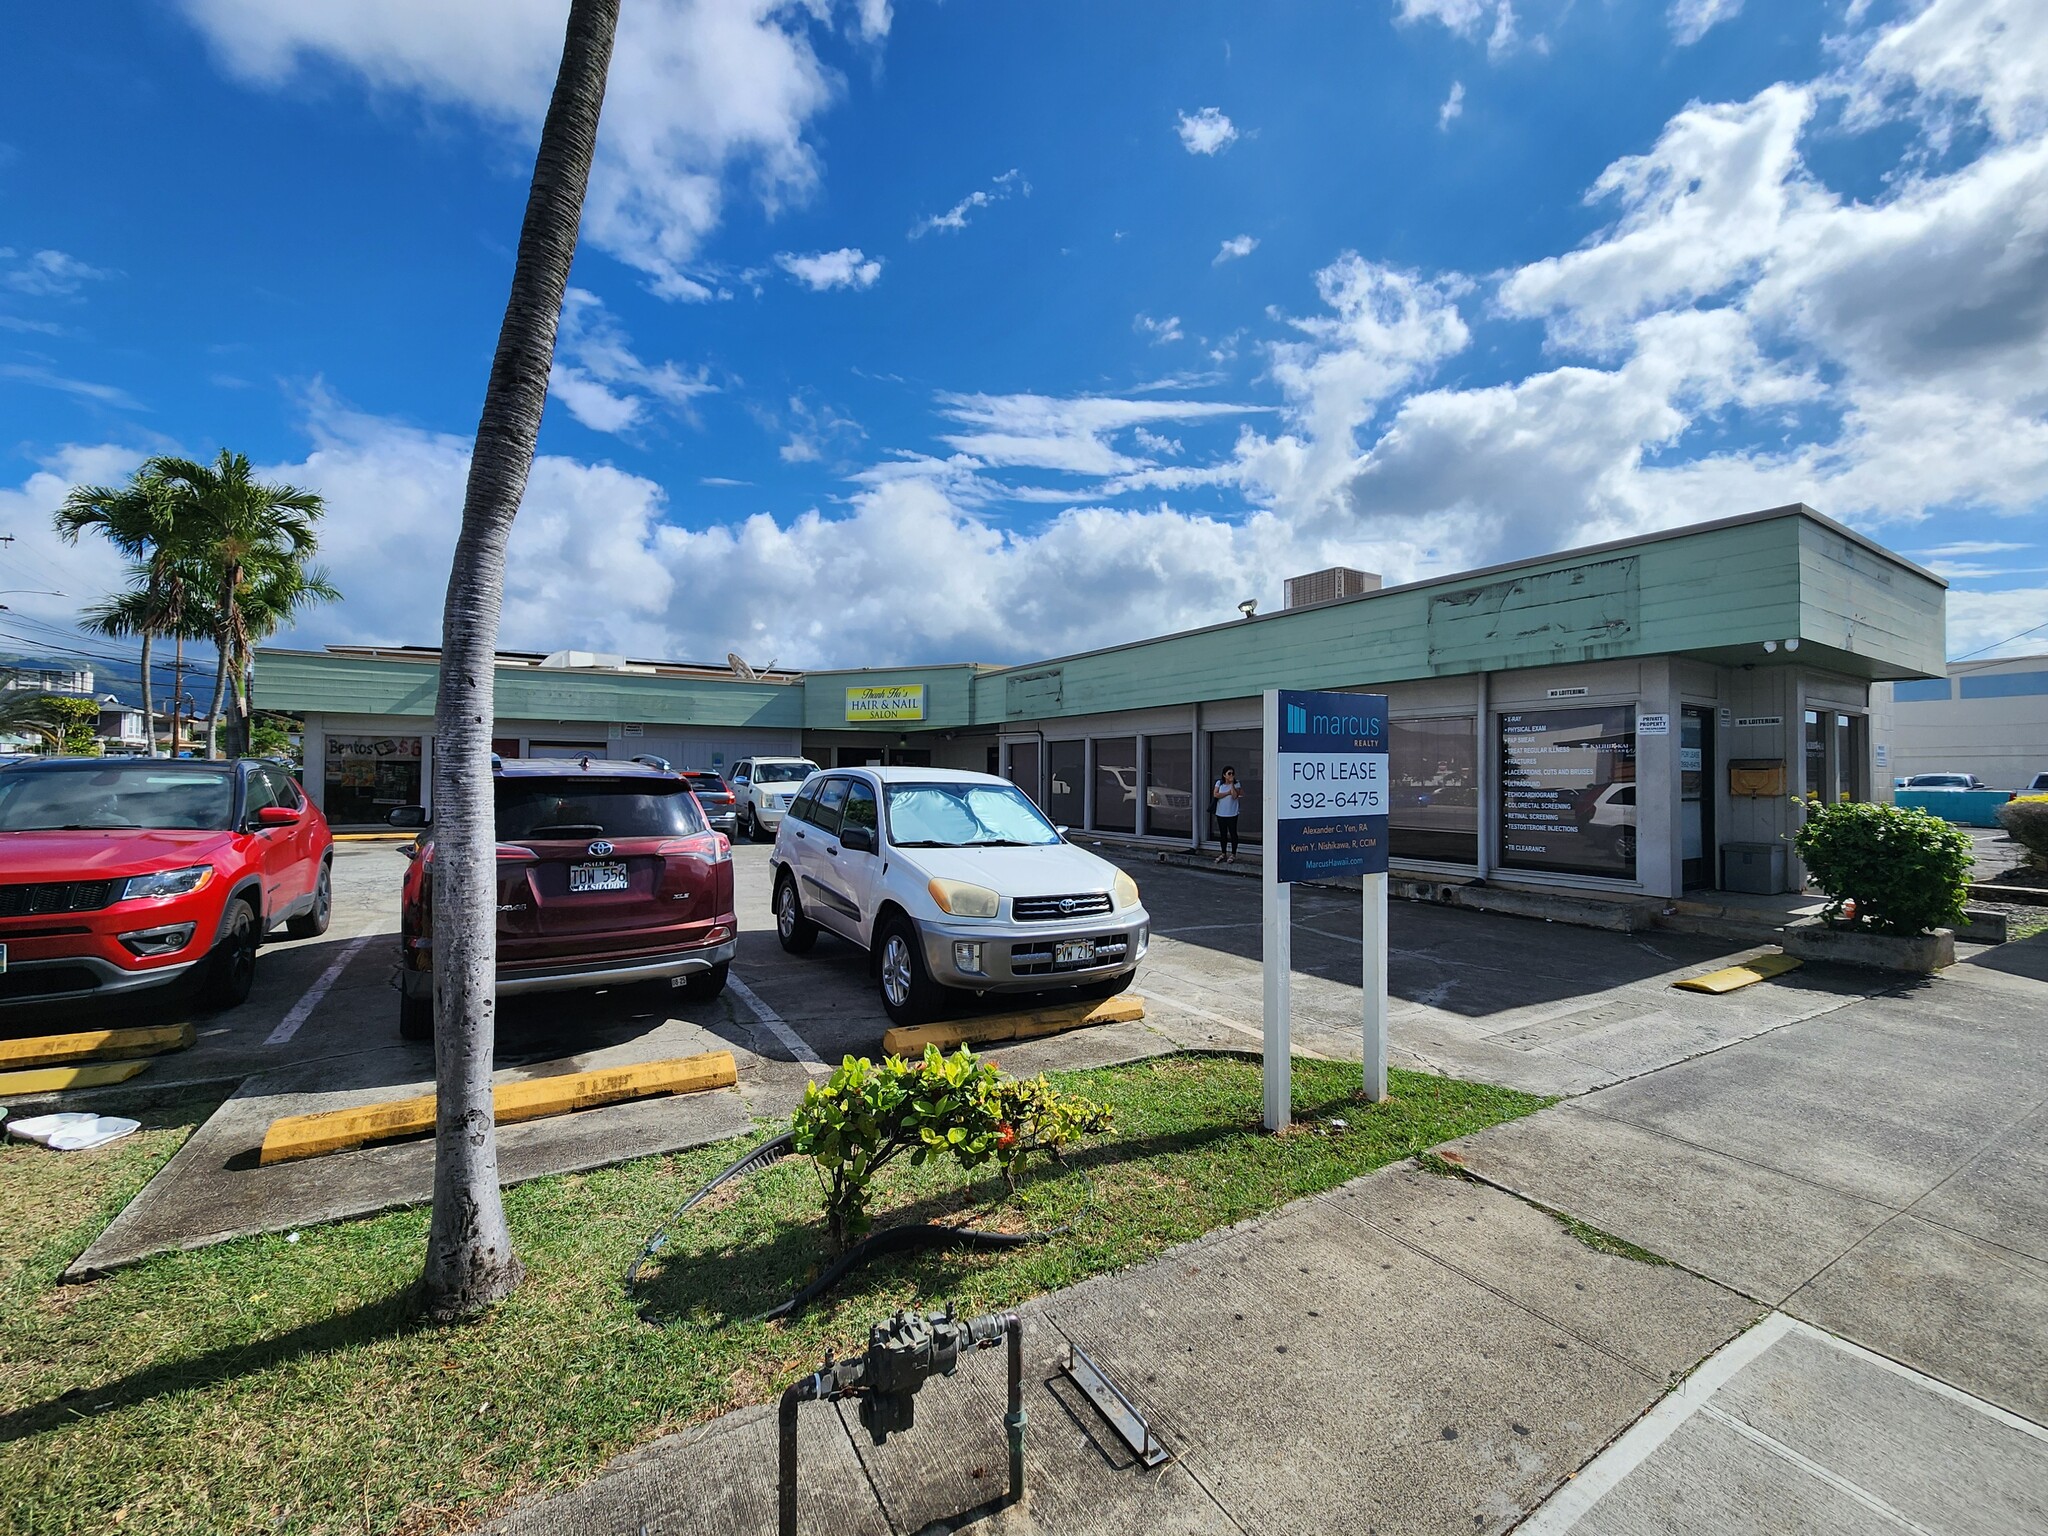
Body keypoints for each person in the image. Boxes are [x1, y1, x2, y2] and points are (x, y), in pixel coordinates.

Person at [1212, 766, 1243, 863]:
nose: (1231, 775)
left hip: (1232, 813)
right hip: (1221, 812)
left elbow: (1234, 796)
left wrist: (1232, 784)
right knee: (1223, 834)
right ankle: (1223, 852)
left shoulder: (1236, 783)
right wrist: (1227, 793)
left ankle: (1233, 854)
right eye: (1229, 773)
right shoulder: (1219, 783)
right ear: (1224, 775)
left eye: (1232, 773)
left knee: (1233, 833)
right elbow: (1216, 794)